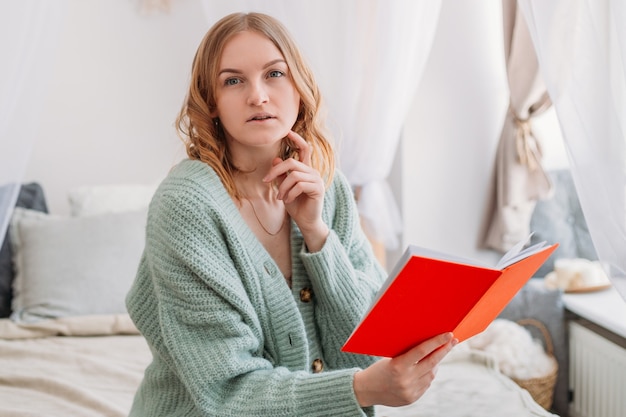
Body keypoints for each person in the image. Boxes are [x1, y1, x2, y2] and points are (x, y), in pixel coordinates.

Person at [126, 11, 457, 417]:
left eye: (275, 74)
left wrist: (317, 233)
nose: (258, 96)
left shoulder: (328, 185)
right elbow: (228, 390)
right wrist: (361, 389)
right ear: (211, 104)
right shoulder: (186, 207)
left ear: (299, 86)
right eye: (233, 80)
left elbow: (368, 349)